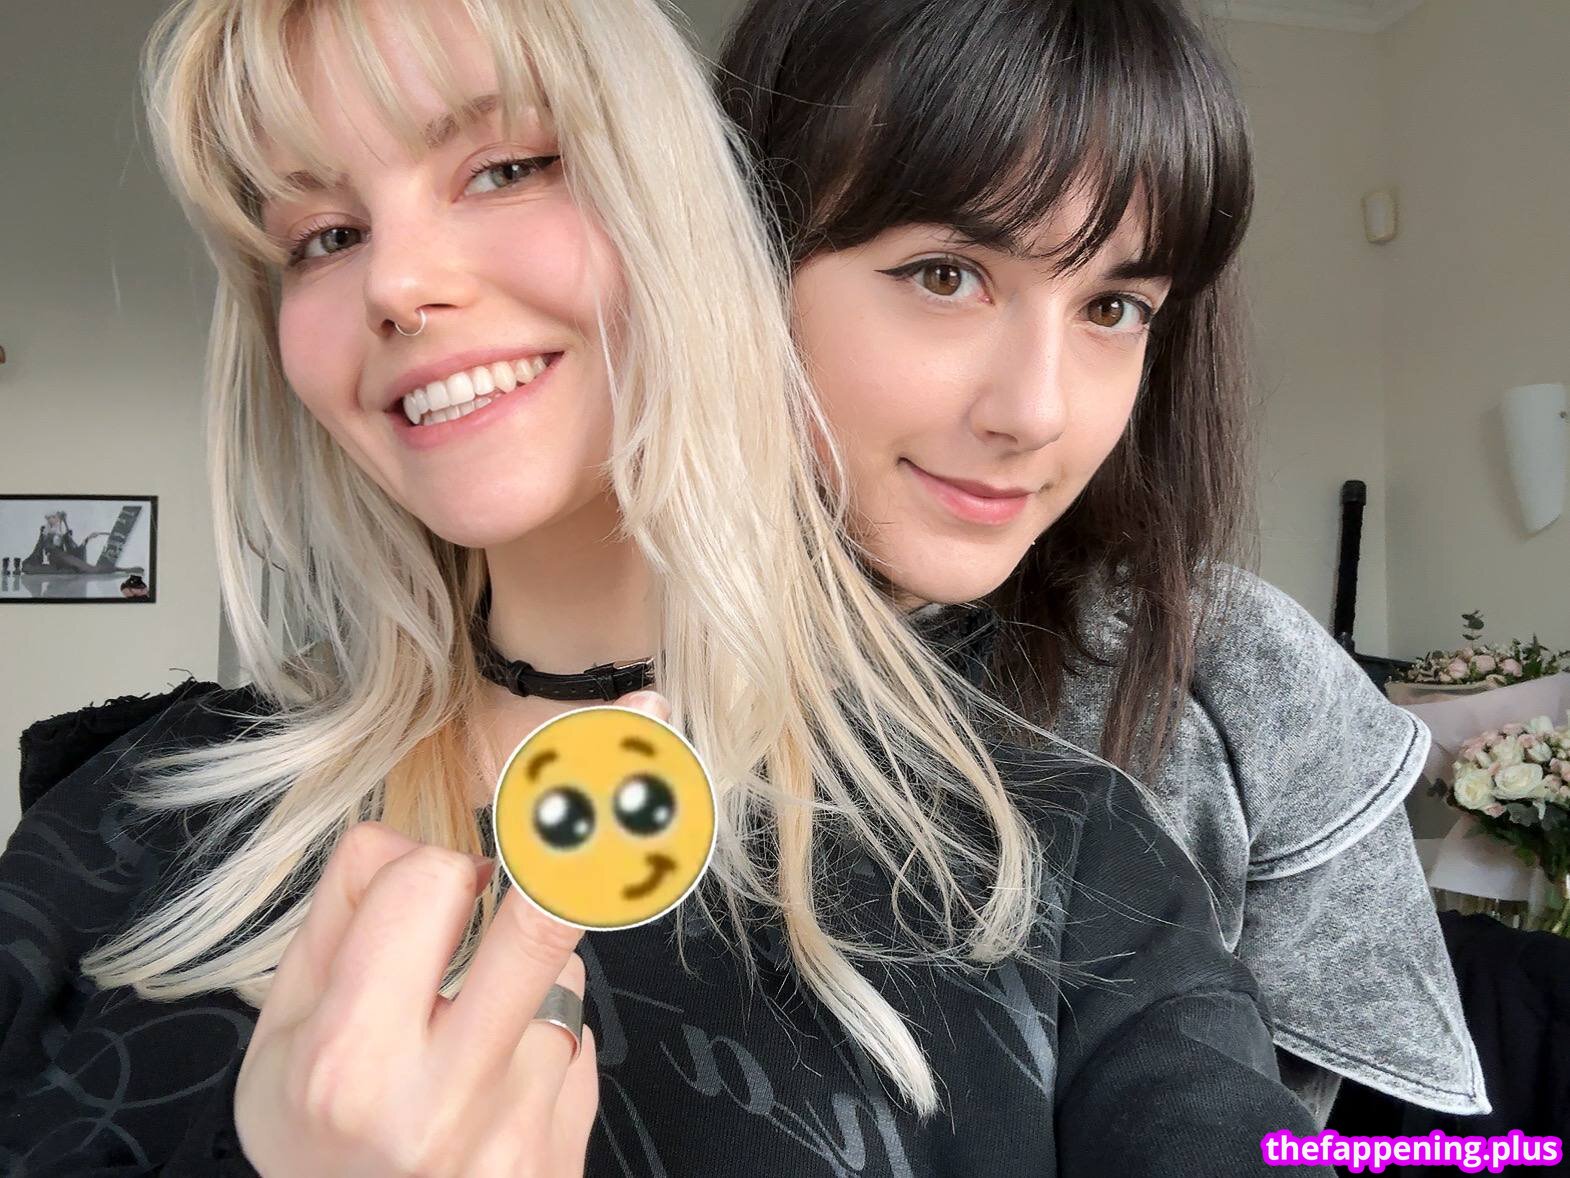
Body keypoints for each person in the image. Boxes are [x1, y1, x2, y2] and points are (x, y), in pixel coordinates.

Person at [0, 0, 1329, 1174]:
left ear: (698, 207)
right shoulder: (123, 820)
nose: (394, 282)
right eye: (325, 233)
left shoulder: (1064, 855)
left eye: (508, 167)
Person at [717, 0, 1487, 1127]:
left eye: (1114, 306)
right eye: (945, 275)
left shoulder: (1233, 677)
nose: (1037, 413)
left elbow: (1407, 1140)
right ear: (742, 252)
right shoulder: (572, 669)